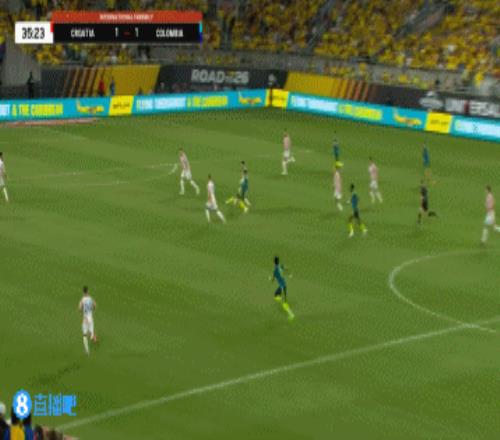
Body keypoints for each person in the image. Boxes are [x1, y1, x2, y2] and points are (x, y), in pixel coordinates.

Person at [270, 256, 294, 321]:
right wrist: (290, 274)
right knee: (276, 295)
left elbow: (272, 280)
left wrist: (270, 279)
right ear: (278, 261)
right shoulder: (280, 266)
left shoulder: (275, 270)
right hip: (283, 285)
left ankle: (291, 314)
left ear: (274, 262)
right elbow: (287, 268)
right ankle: (281, 299)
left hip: (282, 287)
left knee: (284, 303)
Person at [79, 286, 97, 356]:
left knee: (84, 335)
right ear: (88, 291)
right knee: (91, 333)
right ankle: (93, 337)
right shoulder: (91, 299)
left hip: (85, 318)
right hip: (90, 318)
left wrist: (82, 310)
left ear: (83, 292)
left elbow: (80, 308)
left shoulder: (82, 300)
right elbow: (95, 305)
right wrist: (92, 309)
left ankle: (87, 351)